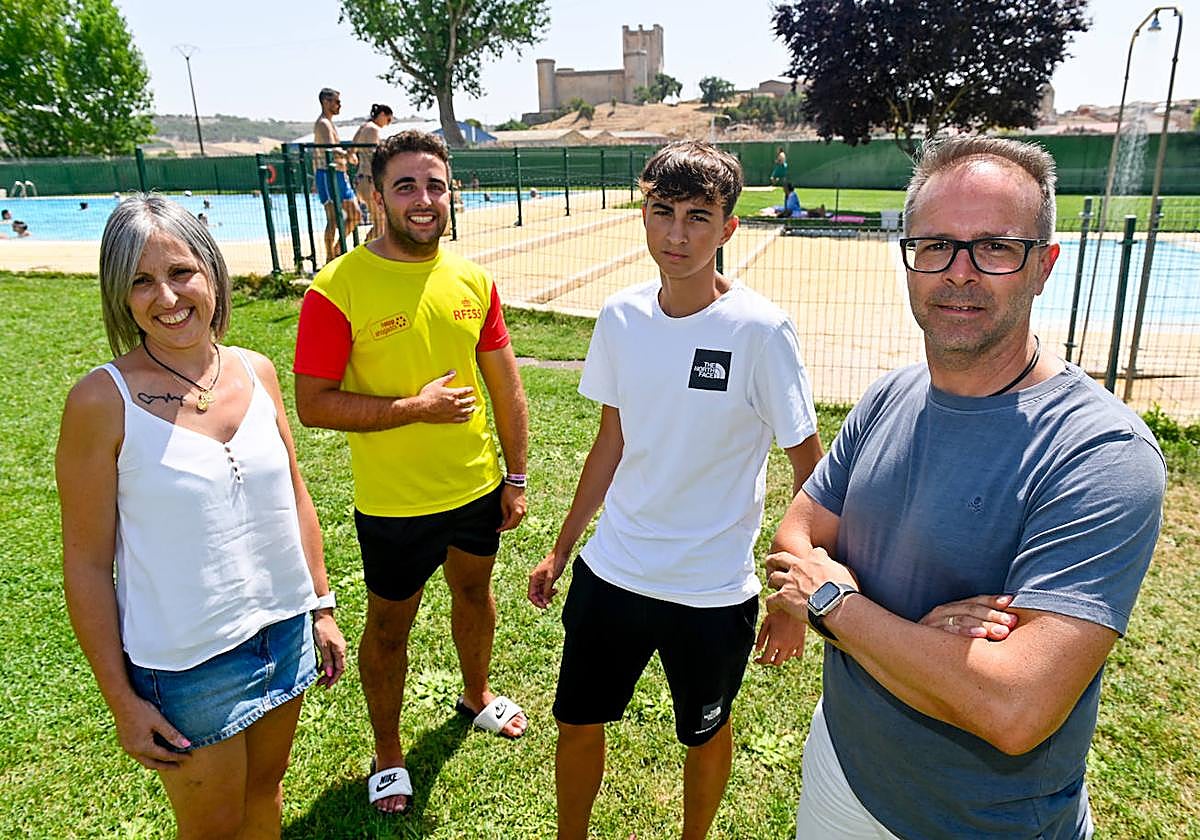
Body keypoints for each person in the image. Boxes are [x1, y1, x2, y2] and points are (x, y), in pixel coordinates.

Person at [764, 136, 1167, 839]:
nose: (960, 273)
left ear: (1044, 266)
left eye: (995, 248)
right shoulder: (889, 395)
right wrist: (923, 650)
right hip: (841, 769)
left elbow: (1012, 710)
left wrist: (836, 606)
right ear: (910, 259)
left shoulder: (1102, 453)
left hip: (981, 821)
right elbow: (793, 539)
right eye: (936, 246)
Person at [528, 140, 824, 840]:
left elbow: (810, 471)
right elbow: (611, 442)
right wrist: (562, 548)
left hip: (711, 590)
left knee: (703, 733)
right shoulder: (621, 318)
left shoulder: (760, 331)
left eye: (698, 216)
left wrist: (794, 598)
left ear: (728, 228)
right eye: (663, 212)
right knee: (576, 720)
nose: (677, 234)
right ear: (643, 214)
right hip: (614, 572)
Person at [57, 195, 347, 838]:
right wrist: (122, 702)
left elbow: (296, 495)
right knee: (211, 829)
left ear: (212, 273)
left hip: (281, 631)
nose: (166, 296)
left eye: (180, 271)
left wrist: (320, 607)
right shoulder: (101, 401)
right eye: (140, 280)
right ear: (119, 296)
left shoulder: (257, 370)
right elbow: (84, 563)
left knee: (264, 801)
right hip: (187, 665)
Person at [293, 129, 530, 816]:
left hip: (476, 489)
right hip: (394, 507)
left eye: (435, 184)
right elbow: (313, 404)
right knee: (389, 628)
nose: (424, 200)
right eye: (406, 186)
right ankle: (390, 749)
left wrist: (514, 478)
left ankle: (476, 693)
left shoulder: (473, 279)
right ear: (374, 196)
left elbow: (506, 386)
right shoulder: (336, 289)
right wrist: (414, 409)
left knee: (476, 595)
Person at [313, 87, 361, 263]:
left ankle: (337, 249)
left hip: (340, 175)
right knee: (332, 218)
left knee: (355, 214)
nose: (340, 105)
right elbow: (329, 150)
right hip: (327, 174)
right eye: (336, 102)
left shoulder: (330, 123)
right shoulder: (323, 124)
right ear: (326, 102)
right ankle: (329, 257)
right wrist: (348, 155)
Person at [351, 103, 394, 241]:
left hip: (360, 179)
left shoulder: (363, 127)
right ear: (382, 115)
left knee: (379, 221)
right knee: (380, 222)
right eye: (388, 120)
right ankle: (364, 251)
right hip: (370, 180)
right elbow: (374, 156)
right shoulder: (373, 129)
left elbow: (351, 152)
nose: (388, 124)